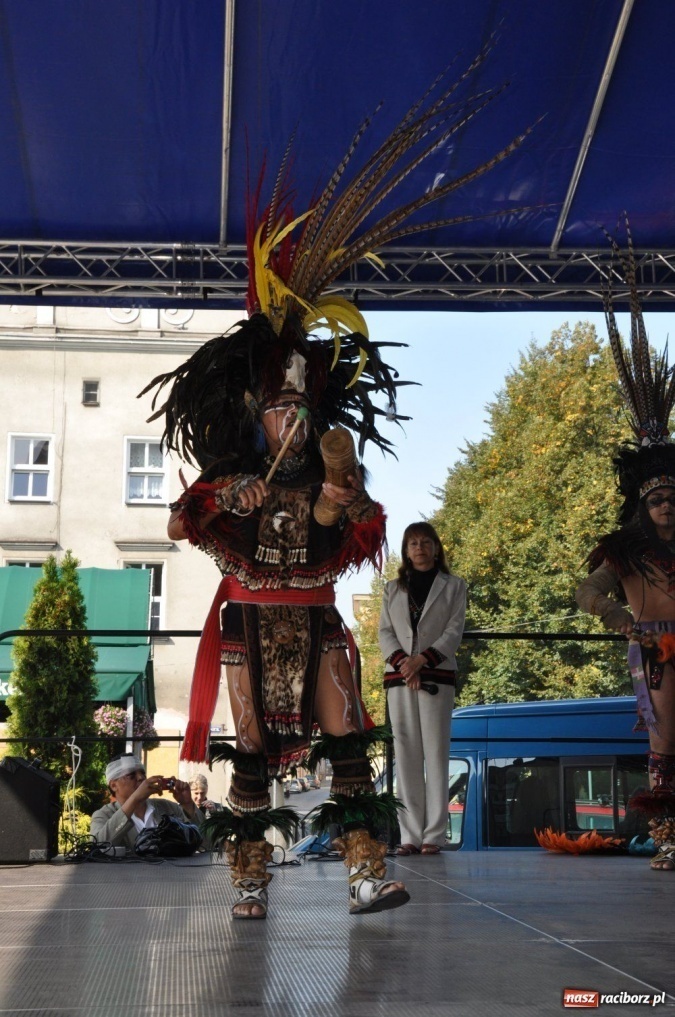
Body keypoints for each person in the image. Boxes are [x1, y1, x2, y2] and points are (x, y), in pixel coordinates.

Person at [139, 59, 527, 919]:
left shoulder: (330, 475)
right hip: (247, 620)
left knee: (349, 740)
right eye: (279, 410)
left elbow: (345, 519)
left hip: (315, 618)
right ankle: (248, 878)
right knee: (248, 747)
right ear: (257, 417)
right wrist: (221, 497)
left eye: (299, 408)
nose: (292, 422)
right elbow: (176, 525)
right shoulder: (230, 480)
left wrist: (340, 487)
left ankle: (362, 872)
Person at [575, 222, 675, 872]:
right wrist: (619, 620)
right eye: (657, 497)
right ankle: (668, 835)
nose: (667, 503)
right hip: (656, 649)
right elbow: (585, 590)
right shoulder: (622, 550)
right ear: (640, 504)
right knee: (666, 741)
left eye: (673, 495)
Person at [379, 522, 466, 854]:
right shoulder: (392, 588)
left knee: (436, 753)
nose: (419, 548)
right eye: (413, 543)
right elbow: (385, 632)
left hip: (437, 676)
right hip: (399, 678)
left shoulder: (455, 586)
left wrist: (422, 662)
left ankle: (433, 835)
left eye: (425, 542)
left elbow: (454, 630)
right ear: (406, 550)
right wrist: (406, 663)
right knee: (406, 754)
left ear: (436, 547)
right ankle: (409, 836)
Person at [90, 754, 203, 851]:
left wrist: (187, 805)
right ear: (114, 785)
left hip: (170, 874)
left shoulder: (167, 807)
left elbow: (205, 843)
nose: (140, 778)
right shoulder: (103, 815)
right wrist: (134, 799)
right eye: (131, 775)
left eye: (142, 773)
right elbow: (98, 847)